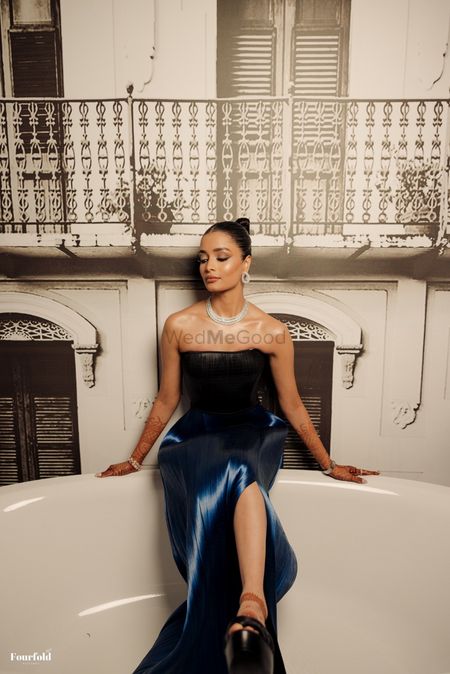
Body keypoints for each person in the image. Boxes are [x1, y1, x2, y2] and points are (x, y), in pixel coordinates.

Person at [96, 218, 379, 674]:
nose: (209, 267)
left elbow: (291, 403)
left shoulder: (271, 331)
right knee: (230, 468)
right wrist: (135, 458)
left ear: (246, 264)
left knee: (241, 466)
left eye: (221, 257)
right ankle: (249, 610)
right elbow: (168, 399)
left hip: (253, 431)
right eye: (203, 258)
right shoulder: (178, 326)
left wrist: (327, 464)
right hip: (194, 437)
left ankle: (252, 603)